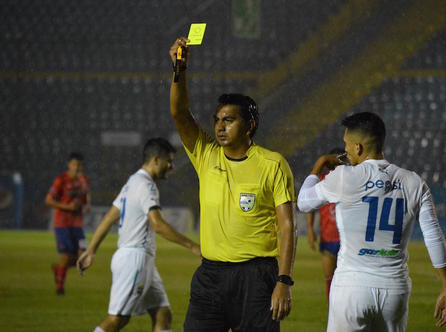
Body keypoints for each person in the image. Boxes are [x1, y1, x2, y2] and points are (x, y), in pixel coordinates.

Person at [169, 37, 297, 331]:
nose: (219, 126)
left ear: (249, 125)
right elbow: (179, 113)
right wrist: (179, 69)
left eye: (229, 120)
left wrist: (284, 281)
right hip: (210, 275)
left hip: (257, 277)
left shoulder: (272, 163)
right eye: (217, 120)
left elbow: (288, 226)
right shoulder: (205, 153)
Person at [297, 112, 446, 331]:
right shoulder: (414, 182)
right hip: (394, 290)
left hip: (351, 288)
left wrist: (320, 164)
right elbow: (433, 236)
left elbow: (303, 202)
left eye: (347, 145)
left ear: (358, 147)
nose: (345, 150)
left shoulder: (343, 176)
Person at [77, 138, 201, 332]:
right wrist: (193, 246)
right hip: (135, 259)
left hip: (137, 258)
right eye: (169, 161)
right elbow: (157, 224)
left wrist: (91, 251)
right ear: (156, 159)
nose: (171, 166)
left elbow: (109, 217)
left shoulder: (132, 182)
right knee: (117, 320)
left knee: (162, 313)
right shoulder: (146, 186)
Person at [45, 152, 91, 295]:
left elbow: (86, 193)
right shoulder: (61, 180)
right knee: (66, 257)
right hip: (62, 224)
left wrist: (88, 204)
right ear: (69, 165)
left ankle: (59, 268)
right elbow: (48, 200)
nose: (77, 167)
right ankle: (60, 287)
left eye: (79, 165)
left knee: (86, 259)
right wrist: (68, 207)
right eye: (74, 164)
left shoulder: (83, 179)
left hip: (78, 225)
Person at [305, 148, 345, 303]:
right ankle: (333, 311)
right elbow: (310, 205)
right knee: (330, 278)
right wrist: (310, 230)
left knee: (343, 280)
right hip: (328, 238)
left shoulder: (350, 180)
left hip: (346, 240)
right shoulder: (322, 181)